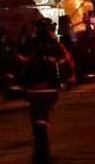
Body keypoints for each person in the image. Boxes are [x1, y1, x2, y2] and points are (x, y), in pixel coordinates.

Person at [17, 17, 75, 155]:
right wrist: (69, 81)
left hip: (32, 89)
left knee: (36, 112)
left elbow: (17, 63)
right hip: (51, 89)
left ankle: (39, 130)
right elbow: (68, 63)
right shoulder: (56, 46)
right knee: (45, 112)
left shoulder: (29, 45)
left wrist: (15, 84)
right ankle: (43, 128)